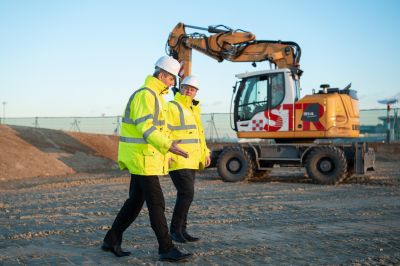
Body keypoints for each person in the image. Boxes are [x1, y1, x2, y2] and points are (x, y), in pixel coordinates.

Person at [101, 56, 193, 262]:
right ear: (161, 75)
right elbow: (146, 128)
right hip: (142, 158)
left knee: (135, 201)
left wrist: (167, 151)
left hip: (147, 157)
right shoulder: (146, 95)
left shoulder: (156, 96)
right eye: (171, 79)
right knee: (156, 204)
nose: (172, 84)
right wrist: (169, 146)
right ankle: (166, 248)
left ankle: (111, 239)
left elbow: (161, 128)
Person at [167, 75, 211, 243]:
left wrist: (205, 152)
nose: (188, 91)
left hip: (192, 159)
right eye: (185, 88)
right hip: (178, 158)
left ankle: (182, 230)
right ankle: (175, 231)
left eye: (192, 89)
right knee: (186, 193)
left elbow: (200, 135)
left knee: (186, 195)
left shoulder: (194, 109)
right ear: (180, 87)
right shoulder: (172, 106)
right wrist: (168, 153)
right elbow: (165, 132)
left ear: (196, 92)